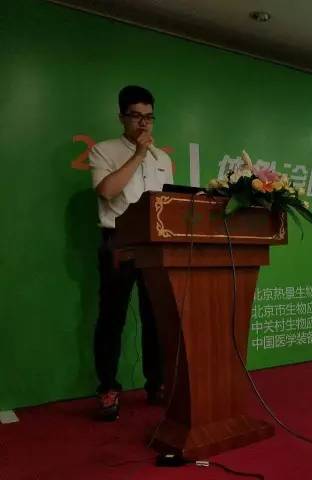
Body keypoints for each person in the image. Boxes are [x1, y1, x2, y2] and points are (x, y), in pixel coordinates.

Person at [89, 85, 174, 421]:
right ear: (121, 117)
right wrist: (138, 154)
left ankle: (157, 383)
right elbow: (107, 191)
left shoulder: (163, 158)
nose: (143, 123)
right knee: (112, 317)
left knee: (156, 317)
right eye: (136, 116)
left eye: (149, 117)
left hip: (155, 245)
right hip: (118, 241)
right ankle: (108, 388)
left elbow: (167, 203)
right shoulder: (104, 150)